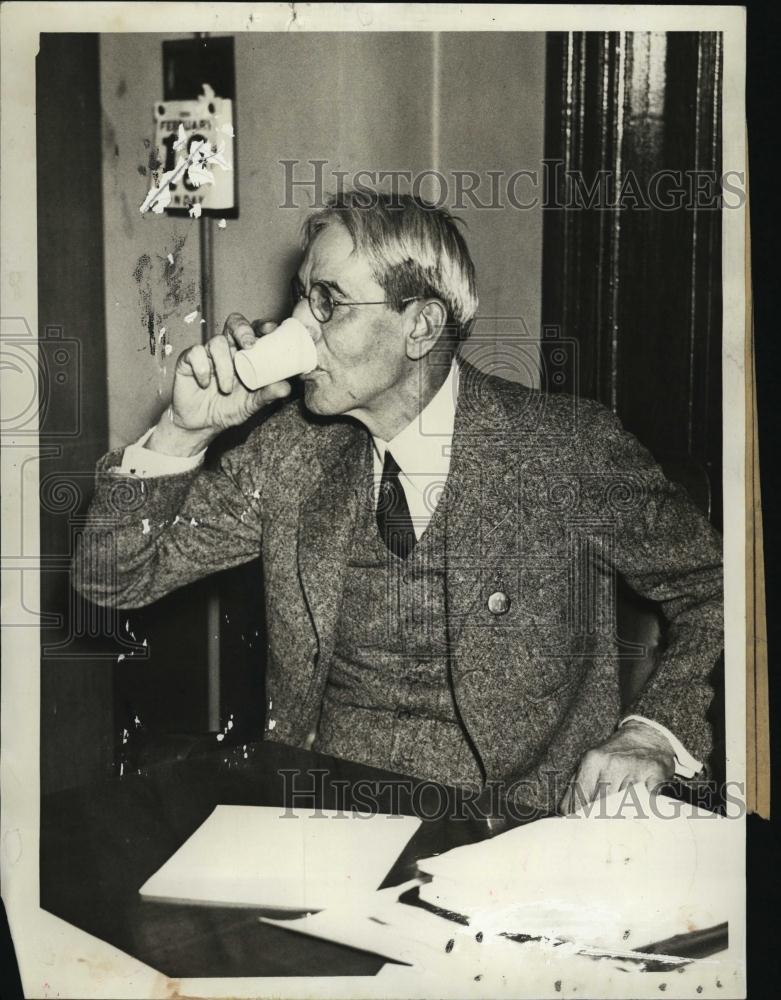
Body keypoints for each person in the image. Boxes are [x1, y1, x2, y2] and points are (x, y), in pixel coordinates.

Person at [74, 190, 723, 815]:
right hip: (322, 821)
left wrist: (651, 731)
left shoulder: (565, 449)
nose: (297, 325)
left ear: (420, 327)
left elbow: (719, 590)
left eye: (328, 302)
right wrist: (183, 431)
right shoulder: (291, 453)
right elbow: (110, 578)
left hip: (511, 833)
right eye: (302, 295)